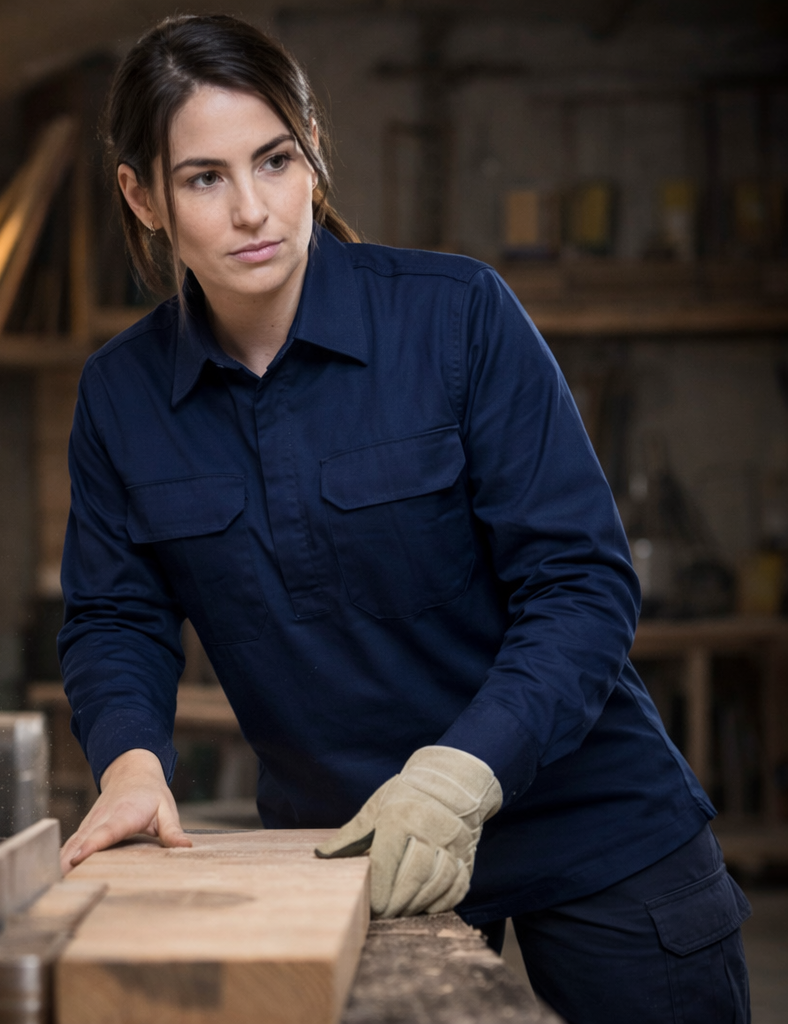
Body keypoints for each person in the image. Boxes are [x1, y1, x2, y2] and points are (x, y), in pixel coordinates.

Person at [57, 14, 751, 1022]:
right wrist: (129, 762)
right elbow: (115, 615)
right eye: (204, 177)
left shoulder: (459, 315)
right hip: (346, 857)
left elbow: (580, 583)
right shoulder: (119, 397)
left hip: (591, 827)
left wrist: (464, 774)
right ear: (143, 196)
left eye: (275, 160)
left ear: (313, 155)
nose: (253, 209)